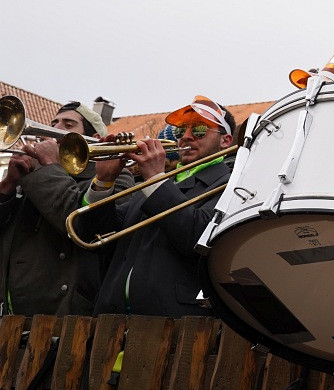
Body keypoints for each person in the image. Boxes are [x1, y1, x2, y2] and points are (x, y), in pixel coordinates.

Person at [80, 95, 235, 317]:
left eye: (200, 130)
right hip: (111, 321)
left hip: (171, 327)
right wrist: (104, 182)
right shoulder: (162, 182)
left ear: (225, 140)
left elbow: (198, 238)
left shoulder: (230, 184)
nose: (187, 137)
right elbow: (98, 237)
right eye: (182, 131)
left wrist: (155, 180)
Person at [0, 101, 133, 316]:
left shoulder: (118, 177)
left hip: (65, 317)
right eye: (54, 123)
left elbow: (80, 225)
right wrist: (8, 185)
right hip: (12, 313)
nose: (55, 130)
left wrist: (50, 168)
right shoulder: (35, 173)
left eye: (68, 125)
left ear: (94, 140)